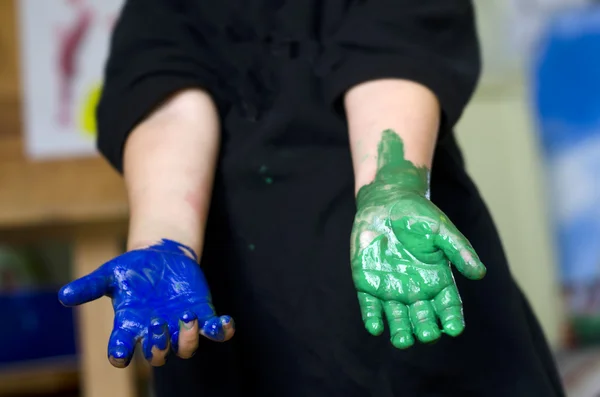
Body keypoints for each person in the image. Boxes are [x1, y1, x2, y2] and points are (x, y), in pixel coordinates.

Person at [58, 1, 566, 396]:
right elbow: (165, 98)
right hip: (229, 314)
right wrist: (166, 241)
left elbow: (391, 59)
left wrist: (389, 189)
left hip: (401, 271)